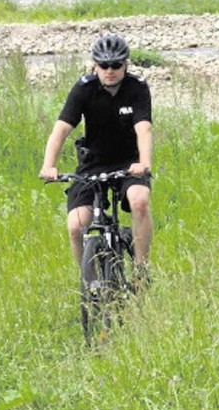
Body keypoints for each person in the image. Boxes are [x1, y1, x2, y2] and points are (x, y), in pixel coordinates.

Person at [39, 33, 153, 286]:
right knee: (75, 226)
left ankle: (141, 270)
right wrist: (49, 165)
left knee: (140, 201)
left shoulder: (137, 88)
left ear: (126, 65)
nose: (109, 71)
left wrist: (144, 162)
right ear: (95, 65)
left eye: (116, 65)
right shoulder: (84, 88)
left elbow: (144, 129)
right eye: (103, 65)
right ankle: (88, 282)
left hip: (129, 163)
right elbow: (60, 129)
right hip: (92, 164)